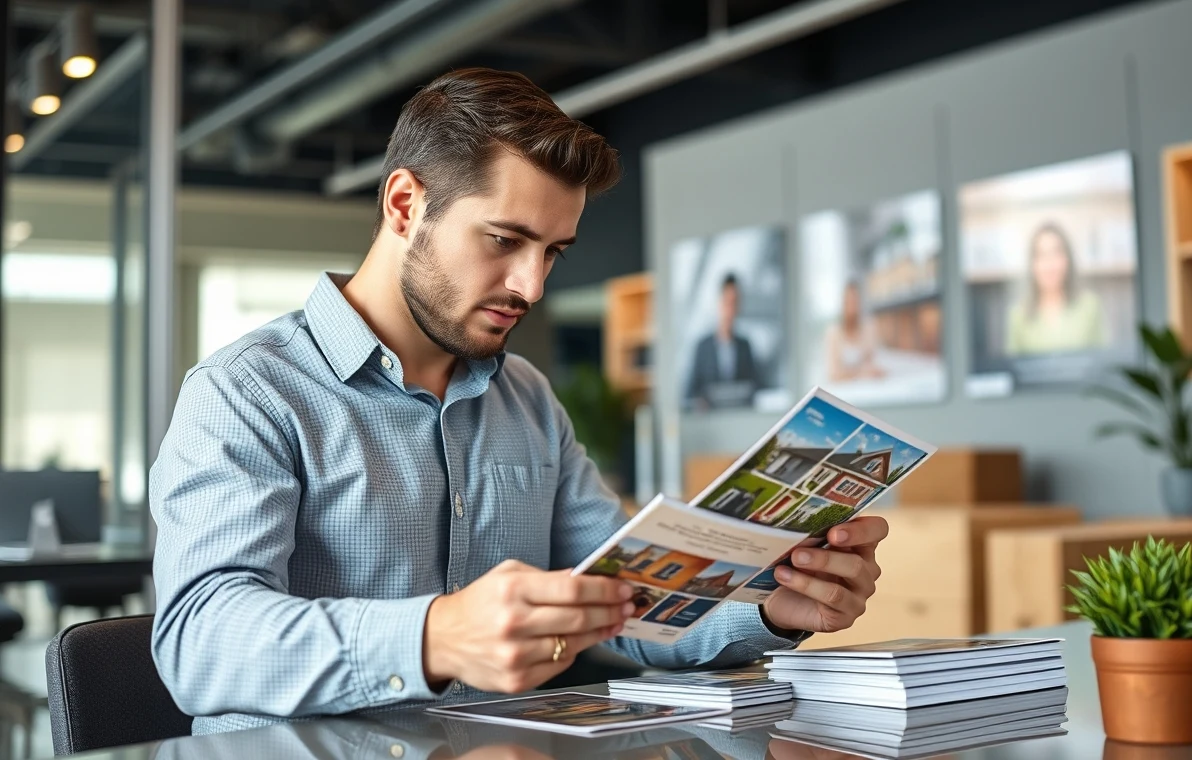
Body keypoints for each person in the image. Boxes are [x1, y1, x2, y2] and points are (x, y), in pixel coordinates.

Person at [149, 68, 890, 736]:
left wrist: (766, 609)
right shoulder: (246, 392)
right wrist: (434, 636)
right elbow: (199, 642)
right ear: (405, 205)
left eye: (553, 252)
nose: (531, 287)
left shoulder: (526, 398)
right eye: (504, 240)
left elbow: (623, 599)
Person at [1005, 222, 1106, 355]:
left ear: (1067, 259)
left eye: (1056, 253)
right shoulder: (1018, 314)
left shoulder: (1090, 306)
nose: (1050, 264)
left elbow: (1103, 362)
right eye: (1042, 255)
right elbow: (1012, 367)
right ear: (1032, 264)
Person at [685, 274, 762, 409]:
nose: (730, 309)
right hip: (710, 423)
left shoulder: (745, 346)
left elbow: (755, 387)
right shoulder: (703, 347)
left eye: (735, 303)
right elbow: (690, 391)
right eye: (727, 302)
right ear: (719, 303)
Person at [824, 279, 884, 382]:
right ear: (843, 303)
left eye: (855, 301)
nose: (852, 306)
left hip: (865, 389)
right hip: (843, 391)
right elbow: (833, 374)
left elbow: (872, 365)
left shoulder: (868, 328)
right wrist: (860, 373)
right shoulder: (833, 333)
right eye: (849, 301)